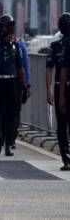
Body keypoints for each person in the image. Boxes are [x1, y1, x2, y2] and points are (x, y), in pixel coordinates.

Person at [0, 14, 25, 157]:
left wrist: (24, 86)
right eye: (0, 26)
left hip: (12, 83)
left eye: (4, 27)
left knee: (11, 116)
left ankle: (8, 144)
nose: (1, 29)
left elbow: (20, 68)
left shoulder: (15, 46)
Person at [46, 13, 70, 170]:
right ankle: (66, 158)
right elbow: (50, 69)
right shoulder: (55, 46)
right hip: (60, 86)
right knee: (62, 125)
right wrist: (49, 90)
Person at [12, 34, 31, 148]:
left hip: (18, 83)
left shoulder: (20, 46)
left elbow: (25, 65)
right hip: (2, 83)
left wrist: (27, 83)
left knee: (16, 111)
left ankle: (12, 136)